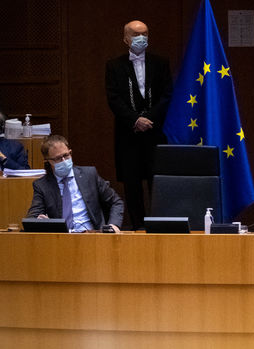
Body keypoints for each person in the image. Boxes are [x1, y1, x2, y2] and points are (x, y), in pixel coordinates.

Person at [105, 20, 172, 229]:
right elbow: (113, 98)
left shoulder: (160, 63)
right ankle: (138, 228)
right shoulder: (114, 65)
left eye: (145, 34)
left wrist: (148, 119)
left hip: (154, 132)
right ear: (126, 39)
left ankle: (158, 228)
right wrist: (135, 120)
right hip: (128, 133)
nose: (141, 38)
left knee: (157, 182)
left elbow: (167, 95)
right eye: (136, 34)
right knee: (132, 185)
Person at [27, 134, 124, 232]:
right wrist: (40, 221)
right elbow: (33, 217)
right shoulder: (42, 185)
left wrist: (113, 225)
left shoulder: (89, 175)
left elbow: (116, 202)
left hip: (92, 235)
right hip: (61, 237)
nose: (64, 161)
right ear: (48, 161)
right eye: (58, 158)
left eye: (66, 155)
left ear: (70, 152)